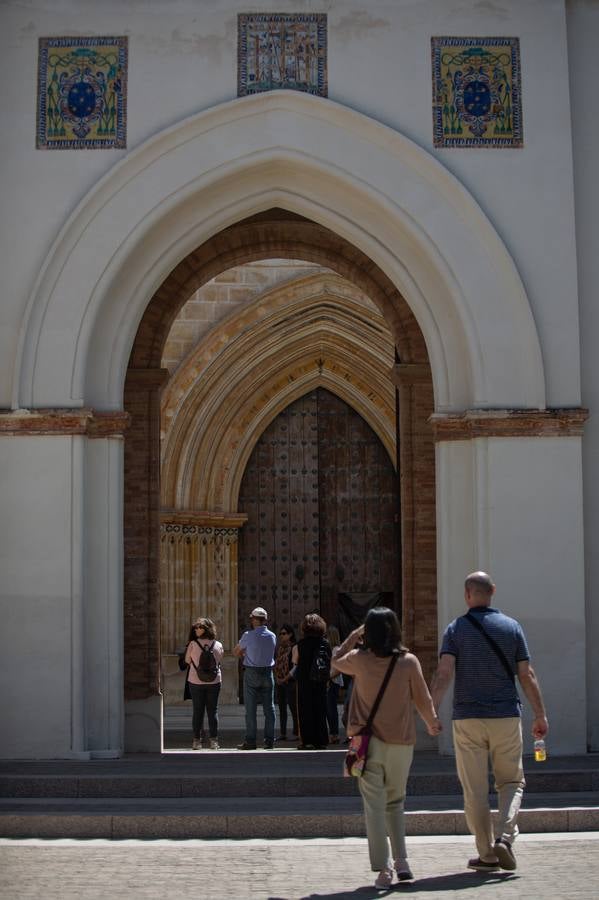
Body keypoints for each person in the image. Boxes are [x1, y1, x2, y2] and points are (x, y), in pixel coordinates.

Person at [431, 571, 548, 873]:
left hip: (467, 718)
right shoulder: (512, 627)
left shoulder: (455, 629)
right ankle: (505, 838)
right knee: (511, 781)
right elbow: (526, 674)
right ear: (493, 591)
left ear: (467, 594)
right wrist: (540, 714)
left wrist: (432, 711)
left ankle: (486, 854)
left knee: (474, 790)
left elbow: (444, 672)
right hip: (505, 715)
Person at [333, 607, 441, 889]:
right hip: (401, 743)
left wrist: (353, 636)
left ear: (368, 632)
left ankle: (384, 868)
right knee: (396, 802)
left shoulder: (359, 660)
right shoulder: (409, 662)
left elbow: (334, 661)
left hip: (368, 744)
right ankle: (402, 862)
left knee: (374, 807)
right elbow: (423, 698)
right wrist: (432, 723)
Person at [233, 606, 277, 749]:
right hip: (268, 672)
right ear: (265, 620)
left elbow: (236, 651)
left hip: (252, 672)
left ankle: (251, 741)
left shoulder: (248, 635)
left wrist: (244, 655)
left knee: (250, 709)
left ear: (254, 620)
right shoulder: (272, 636)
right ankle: (269, 740)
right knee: (269, 709)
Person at [184, 617, 224, 750]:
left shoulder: (192, 644)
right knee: (213, 711)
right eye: (196, 627)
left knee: (198, 711)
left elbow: (187, 661)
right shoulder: (218, 644)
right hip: (214, 680)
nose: (196, 629)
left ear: (206, 629)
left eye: (199, 627)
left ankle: (196, 741)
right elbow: (219, 660)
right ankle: (214, 741)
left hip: (195, 680)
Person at [292, 613, 331, 750]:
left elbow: (295, 661)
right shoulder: (325, 643)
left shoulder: (301, 644)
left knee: (305, 710)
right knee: (320, 709)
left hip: (305, 680)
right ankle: (321, 740)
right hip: (320, 680)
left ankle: (308, 741)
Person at [274, 623, 299, 741]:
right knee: (282, 708)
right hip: (280, 682)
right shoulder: (280, 648)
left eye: (284, 633)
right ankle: (283, 733)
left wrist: (285, 678)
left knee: (294, 708)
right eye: (280, 634)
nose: (281, 636)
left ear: (290, 635)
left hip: (290, 682)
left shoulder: (294, 647)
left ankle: (296, 733)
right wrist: (277, 678)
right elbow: (276, 664)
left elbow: (295, 667)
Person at [325, 624, 343, 744]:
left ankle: (334, 734)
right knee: (328, 708)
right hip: (329, 681)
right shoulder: (330, 649)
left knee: (331, 708)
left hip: (333, 681)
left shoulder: (336, 650)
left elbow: (338, 668)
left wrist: (328, 678)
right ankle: (332, 733)